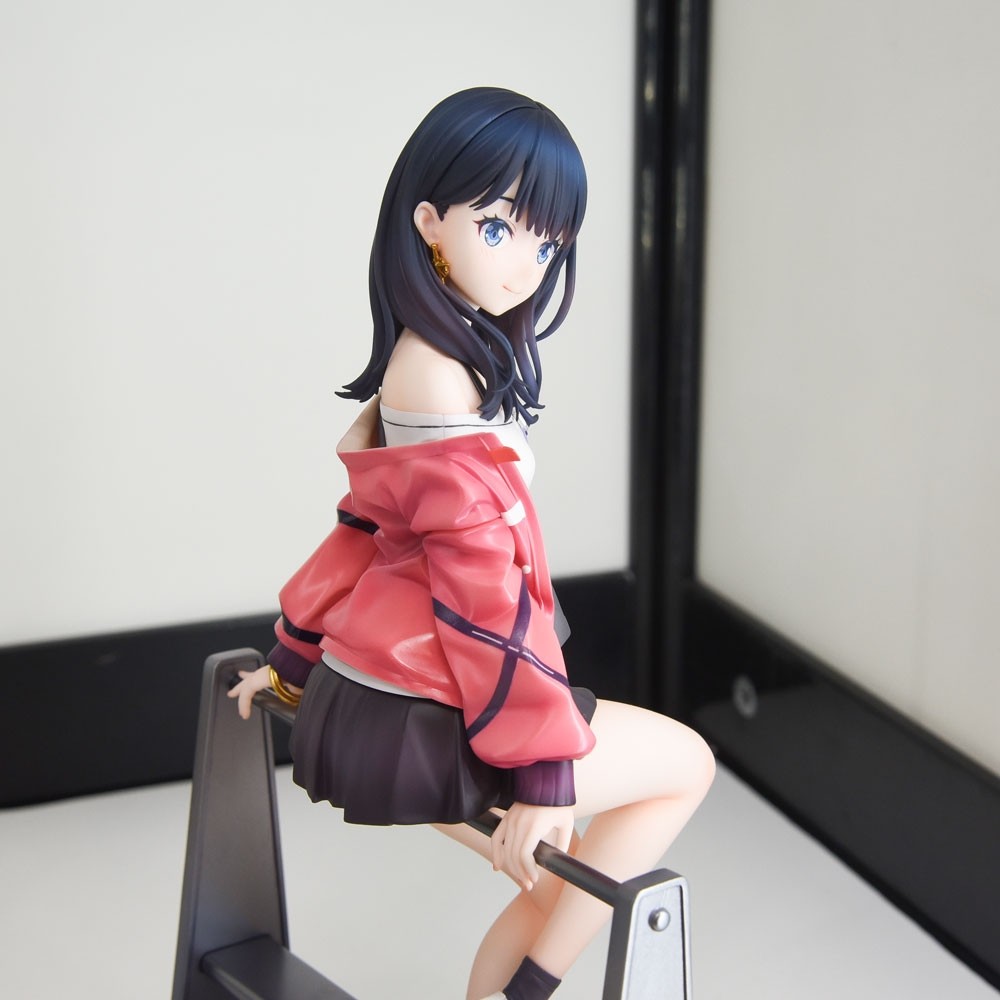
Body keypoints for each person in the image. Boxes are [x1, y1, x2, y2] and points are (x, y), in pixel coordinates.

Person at [229, 86, 715, 1000]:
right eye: (499, 228)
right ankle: (528, 987)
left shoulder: (439, 356)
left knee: (561, 876)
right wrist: (543, 767)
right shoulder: (437, 377)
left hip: (397, 701)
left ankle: (517, 989)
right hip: (436, 714)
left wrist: (292, 660)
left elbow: (366, 533)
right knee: (685, 764)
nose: (526, 265)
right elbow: (481, 592)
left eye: (548, 243)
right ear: (429, 223)